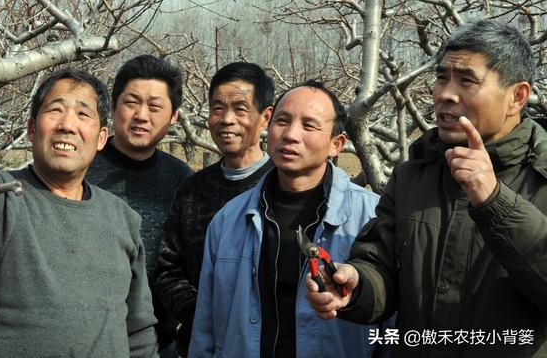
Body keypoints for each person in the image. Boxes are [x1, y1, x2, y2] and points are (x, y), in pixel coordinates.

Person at [306, 20, 547, 357]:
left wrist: (495, 201)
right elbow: (381, 266)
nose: (445, 94)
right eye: (441, 77)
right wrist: (356, 284)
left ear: (517, 97)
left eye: (467, 81)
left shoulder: (540, 177)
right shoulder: (413, 174)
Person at [0, 39, 158, 357]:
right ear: (32, 129)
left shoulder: (122, 218)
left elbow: (138, 331)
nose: (67, 125)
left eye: (83, 114)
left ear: (102, 138)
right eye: (55, 110)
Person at [189, 80, 390, 357]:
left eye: (309, 125)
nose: (291, 134)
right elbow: (205, 328)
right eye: (282, 121)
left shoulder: (372, 216)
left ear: (336, 144)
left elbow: (392, 327)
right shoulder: (229, 219)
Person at [156, 62, 275, 356]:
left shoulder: (283, 185)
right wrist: (205, 316)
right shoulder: (192, 190)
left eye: (240, 109)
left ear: (265, 117)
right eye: (218, 108)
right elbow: (169, 269)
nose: (227, 120)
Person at [86, 55, 193, 356]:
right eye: (131, 103)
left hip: (159, 344)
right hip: (87, 341)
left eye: (155, 107)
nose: (141, 116)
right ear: (112, 107)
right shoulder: (80, 167)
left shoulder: (183, 180)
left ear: (174, 117)